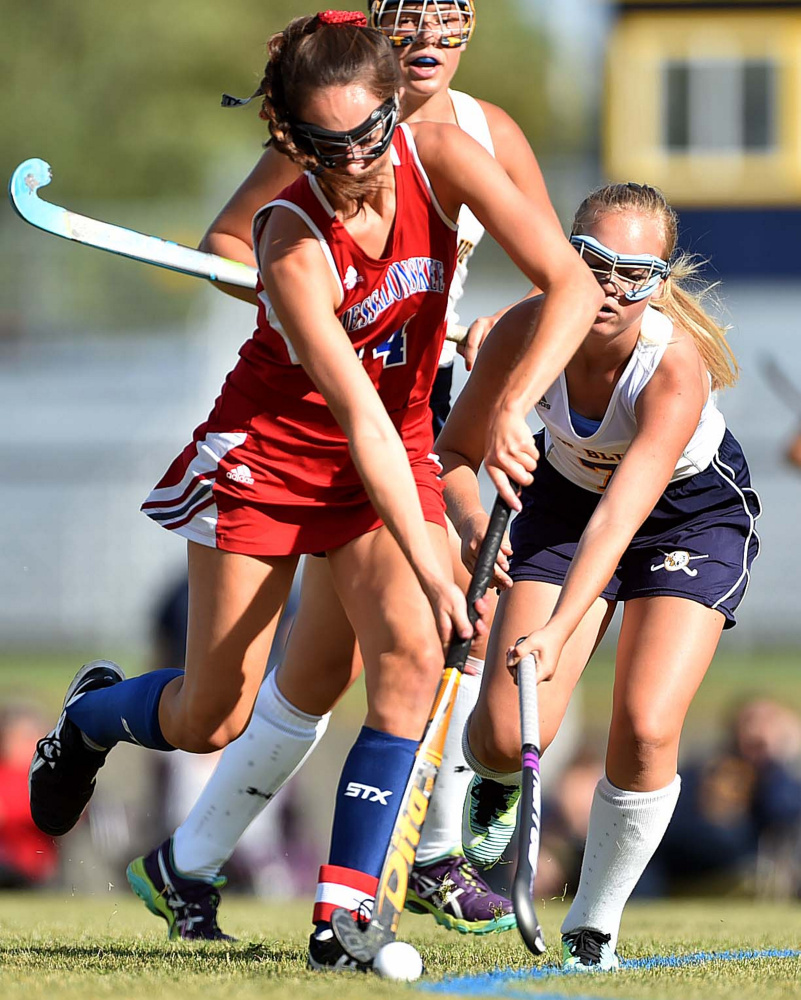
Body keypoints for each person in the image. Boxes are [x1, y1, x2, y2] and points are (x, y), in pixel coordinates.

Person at [28, 11, 602, 973]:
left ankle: (342, 918)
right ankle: (88, 720)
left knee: (413, 661)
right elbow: (358, 425)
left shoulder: (445, 155)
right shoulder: (289, 243)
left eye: (371, 133)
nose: (356, 161)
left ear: (394, 107)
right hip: (273, 458)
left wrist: (507, 407)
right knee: (212, 714)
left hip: (397, 440)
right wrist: (434, 565)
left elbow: (570, 284)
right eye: (327, 146)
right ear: (292, 140)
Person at [437, 181, 761, 971]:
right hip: (560, 505)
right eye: (593, 262)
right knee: (509, 735)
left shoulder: (670, 369)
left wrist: (553, 630)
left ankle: (594, 925)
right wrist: (475, 527)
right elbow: (449, 455)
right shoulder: (520, 332)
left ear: (659, 281)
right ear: (564, 257)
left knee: (646, 724)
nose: (611, 287)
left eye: (634, 272)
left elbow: (619, 523)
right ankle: (496, 783)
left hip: (686, 517)